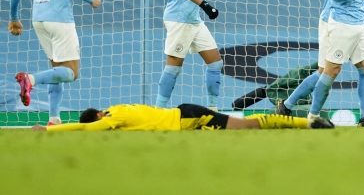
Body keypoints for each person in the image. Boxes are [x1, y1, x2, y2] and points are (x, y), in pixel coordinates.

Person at [31, 103, 334, 131]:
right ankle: (307, 122)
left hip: (190, 118)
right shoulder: (116, 109)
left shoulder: (110, 120)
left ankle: (309, 122)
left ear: (97, 118)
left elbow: (89, 131)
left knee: (247, 126)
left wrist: (51, 129)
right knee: (243, 127)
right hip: (185, 114)